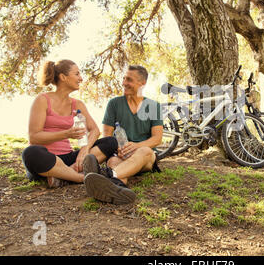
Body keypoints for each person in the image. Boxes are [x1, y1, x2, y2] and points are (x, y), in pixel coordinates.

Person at [21, 59, 117, 188]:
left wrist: (84, 150)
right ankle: (79, 178)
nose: (81, 78)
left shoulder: (77, 104)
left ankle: (64, 176)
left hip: (68, 159)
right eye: (77, 74)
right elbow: (34, 137)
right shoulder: (43, 100)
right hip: (47, 161)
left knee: (111, 141)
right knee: (30, 152)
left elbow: (94, 130)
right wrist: (66, 134)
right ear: (63, 77)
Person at [83, 65, 163, 204]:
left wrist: (136, 146)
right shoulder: (114, 104)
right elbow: (107, 135)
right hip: (120, 154)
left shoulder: (153, 106)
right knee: (113, 162)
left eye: (129, 80)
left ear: (142, 83)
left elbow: (157, 138)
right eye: (124, 78)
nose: (124, 83)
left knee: (144, 151)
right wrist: (118, 150)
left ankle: (106, 176)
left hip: (145, 157)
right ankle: (116, 190)